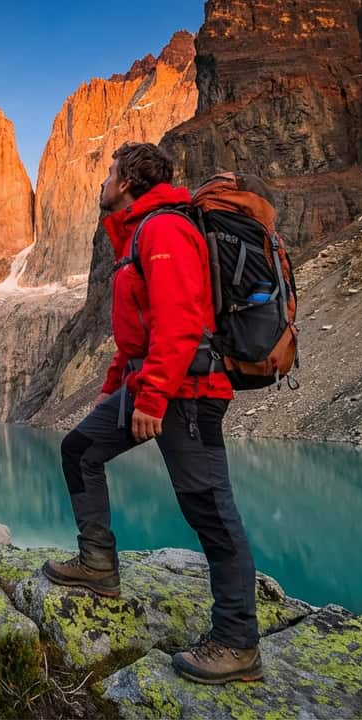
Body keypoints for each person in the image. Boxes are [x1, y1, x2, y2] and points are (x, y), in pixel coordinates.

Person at [41, 142, 262, 685]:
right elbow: (137, 333)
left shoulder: (163, 229)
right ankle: (98, 565)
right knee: (79, 450)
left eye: (109, 174)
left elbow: (180, 321)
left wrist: (153, 397)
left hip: (189, 392)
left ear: (128, 182)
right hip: (153, 383)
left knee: (210, 510)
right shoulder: (138, 233)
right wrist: (113, 392)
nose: (102, 183)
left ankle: (238, 643)